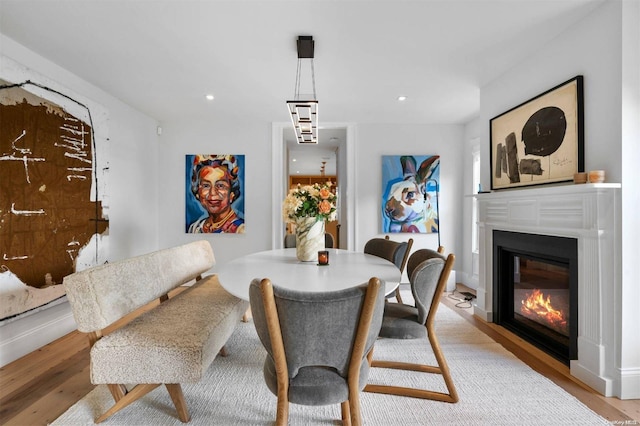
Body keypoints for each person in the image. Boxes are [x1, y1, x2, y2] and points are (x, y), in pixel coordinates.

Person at [187, 155, 245, 233]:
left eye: (220, 185)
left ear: (232, 193)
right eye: (206, 186)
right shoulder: (195, 228)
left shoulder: (241, 230)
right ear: (197, 192)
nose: (213, 193)